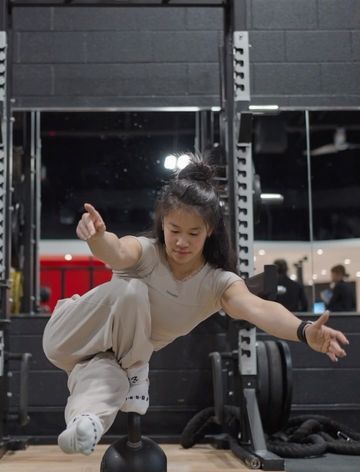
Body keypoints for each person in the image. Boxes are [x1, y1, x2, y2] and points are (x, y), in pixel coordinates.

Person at [42, 155, 349, 456]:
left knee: (104, 384)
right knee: (131, 290)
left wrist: (304, 330)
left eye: (193, 233)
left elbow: (257, 308)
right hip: (69, 333)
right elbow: (116, 250)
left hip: (112, 357)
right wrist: (96, 237)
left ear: (210, 231)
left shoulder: (217, 283)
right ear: (162, 224)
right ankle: (137, 368)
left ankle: (84, 426)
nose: (181, 242)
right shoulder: (147, 252)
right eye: (174, 230)